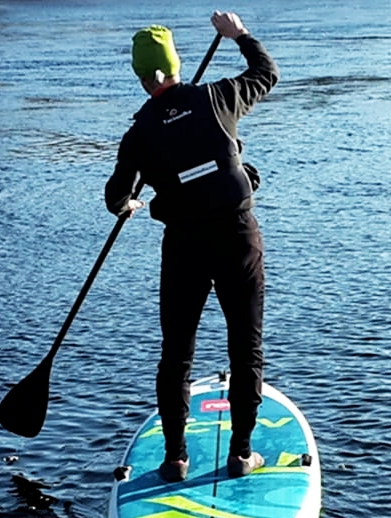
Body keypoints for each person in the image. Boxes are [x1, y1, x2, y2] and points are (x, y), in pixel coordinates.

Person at [105, 11, 279, 482]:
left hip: (184, 248)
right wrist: (238, 35)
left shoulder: (139, 133)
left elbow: (115, 198)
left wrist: (132, 204)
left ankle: (175, 459)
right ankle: (242, 453)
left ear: (145, 78)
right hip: (238, 240)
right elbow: (267, 74)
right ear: (175, 67)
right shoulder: (218, 97)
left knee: (177, 355)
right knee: (246, 350)